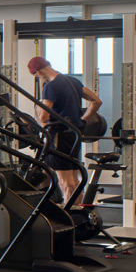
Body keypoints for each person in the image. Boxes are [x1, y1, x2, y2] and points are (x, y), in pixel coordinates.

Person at [26, 55, 101, 206]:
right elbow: (96, 101)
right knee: (73, 178)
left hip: (59, 136)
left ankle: (70, 217)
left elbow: (45, 117)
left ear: (38, 73)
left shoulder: (50, 87)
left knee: (65, 182)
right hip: (74, 135)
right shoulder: (73, 81)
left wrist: (39, 109)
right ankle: (78, 215)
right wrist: (83, 121)